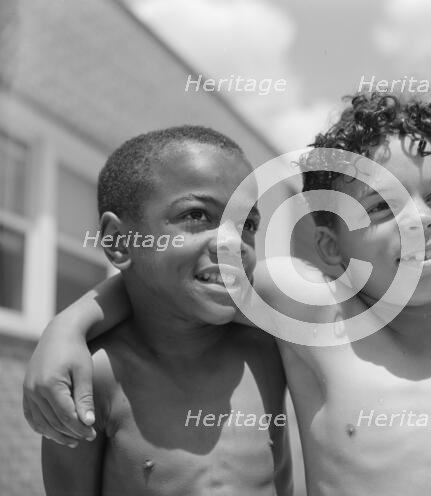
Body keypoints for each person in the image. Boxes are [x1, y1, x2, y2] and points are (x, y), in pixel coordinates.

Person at [25, 102, 431, 494]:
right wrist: (66, 327)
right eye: (382, 207)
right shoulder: (314, 317)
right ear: (330, 247)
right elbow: (171, 280)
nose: (421, 218)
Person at [39, 127, 293, 495]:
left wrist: (67, 324)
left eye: (248, 224)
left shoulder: (273, 347)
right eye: (196, 215)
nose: (233, 244)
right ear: (118, 242)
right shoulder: (93, 380)